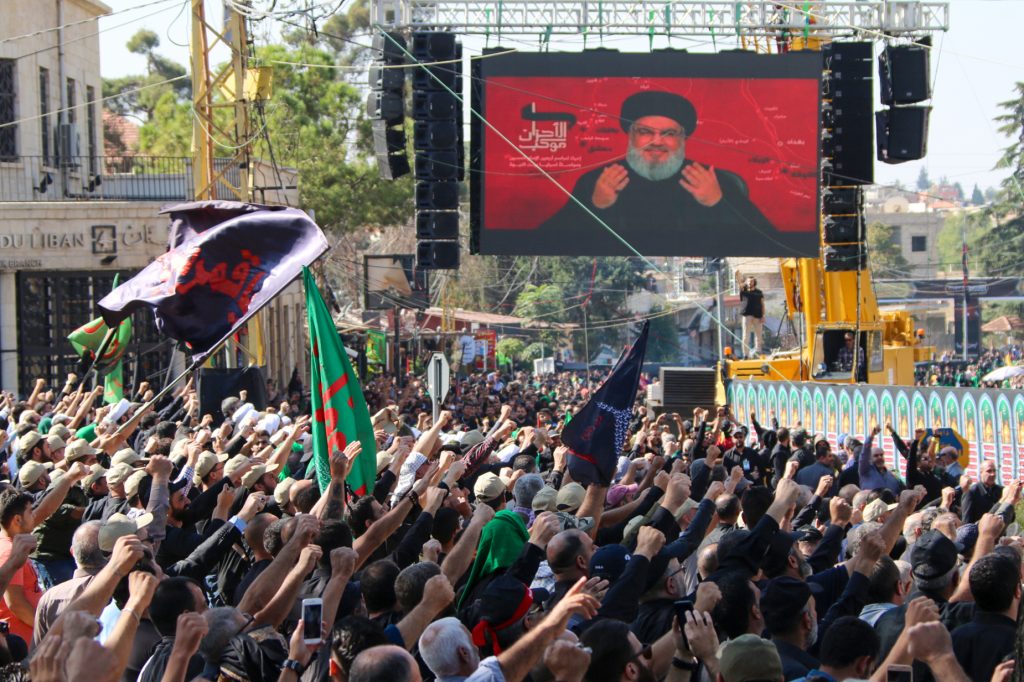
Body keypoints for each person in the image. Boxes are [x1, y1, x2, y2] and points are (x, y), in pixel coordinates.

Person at [533, 91, 783, 256]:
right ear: (630, 135)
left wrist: (719, 203)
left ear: (683, 138)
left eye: (668, 134)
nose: (656, 141)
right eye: (645, 132)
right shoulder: (597, 181)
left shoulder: (716, 181)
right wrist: (595, 205)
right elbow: (545, 242)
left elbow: (771, 242)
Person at [739, 277, 765, 358]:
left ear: (754, 282)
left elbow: (762, 304)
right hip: (747, 316)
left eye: (752, 281)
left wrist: (763, 315)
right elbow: (739, 283)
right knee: (746, 335)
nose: (750, 283)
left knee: (759, 335)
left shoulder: (759, 292)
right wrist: (737, 275)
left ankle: (758, 352)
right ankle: (746, 354)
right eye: (749, 281)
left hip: (757, 316)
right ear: (746, 282)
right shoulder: (744, 291)